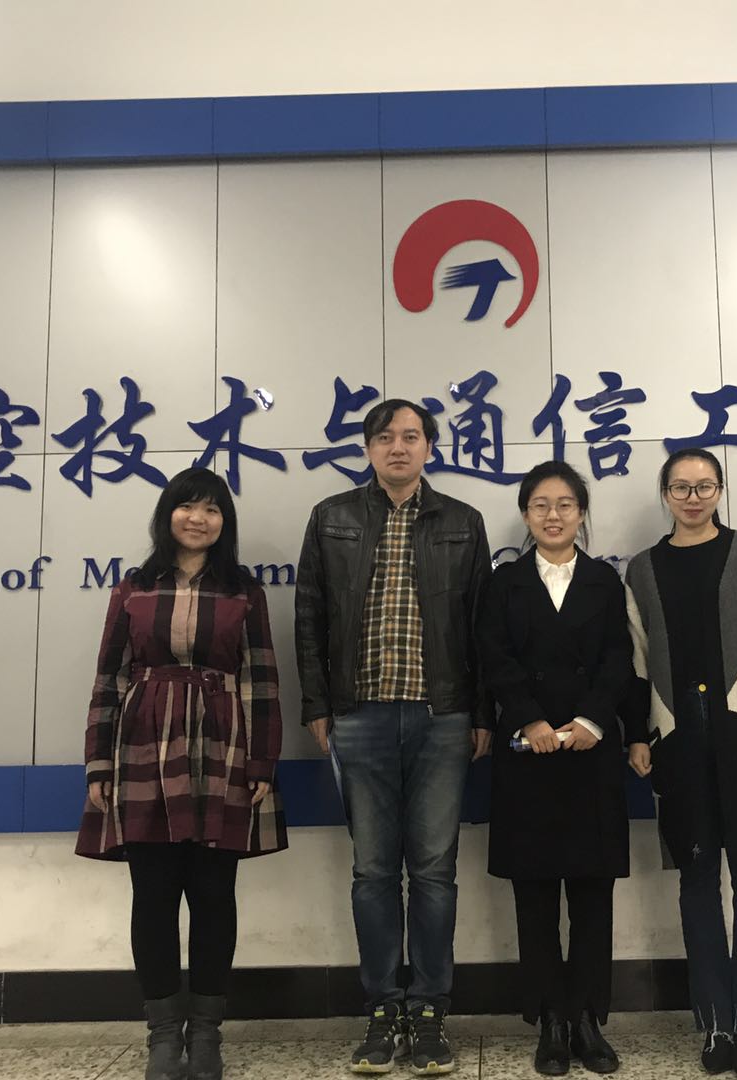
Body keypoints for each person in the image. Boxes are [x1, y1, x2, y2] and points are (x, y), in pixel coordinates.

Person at [294, 399, 493, 1075]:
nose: (398, 447)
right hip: (360, 716)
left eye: (411, 436)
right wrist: (319, 705)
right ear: (368, 448)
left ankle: (430, 1010)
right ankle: (383, 1008)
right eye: (385, 437)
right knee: (373, 870)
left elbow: (480, 626)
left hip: (443, 717)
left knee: (434, 870)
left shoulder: (462, 522)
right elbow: (309, 615)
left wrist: (483, 714)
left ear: (430, 448)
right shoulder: (332, 517)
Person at [76, 466, 287, 1080]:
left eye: (212, 509)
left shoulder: (244, 592)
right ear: (167, 514)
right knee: (153, 896)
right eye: (187, 506)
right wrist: (98, 761)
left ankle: (208, 1034)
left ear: (225, 522)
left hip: (224, 750)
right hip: (144, 748)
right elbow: (109, 678)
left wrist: (262, 760)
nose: (199, 518)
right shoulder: (133, 589)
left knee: (215, 896)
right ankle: (164, 1035)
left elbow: (263, 680)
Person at [623, 447, 737, 1078]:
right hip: (676, 742)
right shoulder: (643, 569)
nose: (693, 497)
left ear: (720, 491)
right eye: (681, 487)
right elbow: (635, 658)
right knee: (697, 879)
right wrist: (637, 734)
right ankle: (715, 1024)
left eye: (705, 486)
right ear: (665, 495)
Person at [475, 461, 639, 1077]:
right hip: (529, 754)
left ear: (581, 513)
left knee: (593, 892)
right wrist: (530, 720)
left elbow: (620, 657)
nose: (552, 515)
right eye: (540, 504)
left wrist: (592, 721)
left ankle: (588, 1018)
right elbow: (493, 657)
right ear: (525, 514)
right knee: (536, 893)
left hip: (590, 752)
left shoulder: (604, 580)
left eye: (565, 504)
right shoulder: (504, 583)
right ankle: (549, 1018)